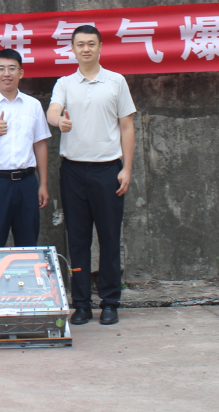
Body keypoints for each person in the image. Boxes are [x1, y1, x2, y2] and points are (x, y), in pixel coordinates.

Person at [46, 25, 135, 327]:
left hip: (108, 170)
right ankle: (81, 303)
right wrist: (59, 121)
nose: (86, 49)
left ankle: (110, 302)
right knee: (78, 239)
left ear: (100, 47)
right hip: (73, 171)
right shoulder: (65, 83)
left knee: (109, 238)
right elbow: (52, 111)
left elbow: (127, 126)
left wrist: (126, 168)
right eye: (80, 44)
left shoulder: (116, 81)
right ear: (72, 49)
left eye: (91, 44)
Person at [0, 48, 50, 248]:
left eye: (12, 68)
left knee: (28, 243)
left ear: (20, 73)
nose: (7, 73)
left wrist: (43, 184)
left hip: (27, 183)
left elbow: (40, 144)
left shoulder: (33, 105)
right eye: (1, 69)